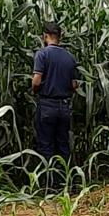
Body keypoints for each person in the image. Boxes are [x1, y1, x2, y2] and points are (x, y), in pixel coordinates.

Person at [32, 21, 79, 164]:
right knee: (63, 146)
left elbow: (36, 82)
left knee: (46, 146)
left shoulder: (42, 54)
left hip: (47, 105)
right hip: (64, 107)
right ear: (60, 37)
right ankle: (64, 176)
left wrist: (35, 91)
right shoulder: (70, 57)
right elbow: (74, 85)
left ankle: (49, 177)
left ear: (45, 36)